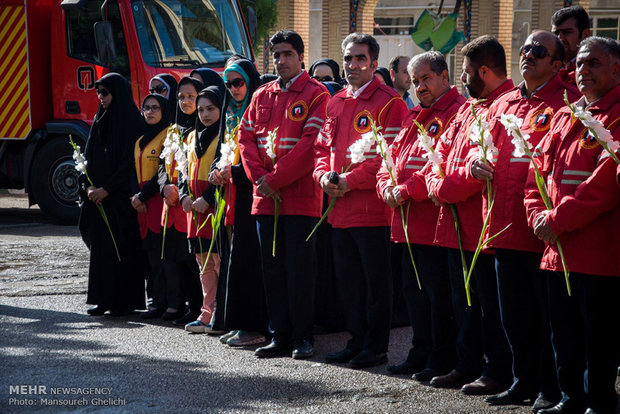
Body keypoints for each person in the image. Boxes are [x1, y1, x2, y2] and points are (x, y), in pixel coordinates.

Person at [469, 31, 577, 411]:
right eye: (525, 49)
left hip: (541, 232)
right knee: (513, 317)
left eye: (539, 51)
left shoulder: (567, 102)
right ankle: (521, 382)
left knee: (546, 320)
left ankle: (551, 389)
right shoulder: (505, 103)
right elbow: (480, 146)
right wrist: (474, 163)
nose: (527, 55)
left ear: (558, 64)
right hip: (501, 225)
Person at [524, 37, 620, 414]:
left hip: (598, 250)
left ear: (616, 69)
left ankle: (599, 402)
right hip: (557, 249)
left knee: (599, 337)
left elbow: (604, 185)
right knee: (563, 333)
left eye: (593, 63)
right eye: (579, 64)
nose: (583, 71)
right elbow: (538, 174)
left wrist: (556, 219)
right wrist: (536, 214)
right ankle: (570, 398)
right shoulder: (568, 113)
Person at [425, 35, 513, 395]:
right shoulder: (469, 107)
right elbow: (440, 153)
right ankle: (466, 365)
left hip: (482, 227)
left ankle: (495, 370)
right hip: (455, 224)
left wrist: (443, 188)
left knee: (489, 309)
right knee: (464, 305)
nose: (461, 80)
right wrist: (436, 182)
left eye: (464, 73)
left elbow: (485, 169)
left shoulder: (505, 105)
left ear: (484, 71)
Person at [314, 32, 407, 369]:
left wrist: (349, 181)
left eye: (360, 59)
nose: (353, 65)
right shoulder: (335, 101)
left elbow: (390, 159)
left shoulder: (390, 102)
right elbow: (322, 149)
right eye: (348, 58)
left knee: (375, 284)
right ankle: (356, 340)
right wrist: (323, 176)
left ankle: (376, 346)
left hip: (372, 212)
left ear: (374, 63)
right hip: (339, 210)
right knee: (349, 282)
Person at [237, 30, 330, 360]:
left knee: (300, 271)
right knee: (272, 270)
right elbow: (244, 138)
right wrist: (259, 178)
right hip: (265, 199)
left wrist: (274, 179)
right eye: (276, 54)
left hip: (301, 200)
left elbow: (310, 146)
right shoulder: (262, 94)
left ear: (301, 56)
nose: (281, 60)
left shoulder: (317, 94)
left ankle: (303, 337)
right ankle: (279, 335)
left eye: (288, 53)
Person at [377, 51, 464, 378]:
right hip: (404, 223)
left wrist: (407, 189)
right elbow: (391, 159)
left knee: (437, 297)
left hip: (432, 224)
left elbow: (438, 163)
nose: (420, 87)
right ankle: (421, 350)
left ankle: (441, 356)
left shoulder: (455, 111)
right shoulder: (415, 114)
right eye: (415, 81)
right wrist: (385, 185)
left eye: (426, 79)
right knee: (414, 295)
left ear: (444, 76)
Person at [209, 57, 269, 347]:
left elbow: (259, 157)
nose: (232, 89)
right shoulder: (229, 112)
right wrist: (215, 173)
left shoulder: (255, 111)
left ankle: (254, 326)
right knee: (234, 258)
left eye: (238, 82)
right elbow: (221, 150)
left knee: (248, 259)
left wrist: (232, 172)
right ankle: (236, 322)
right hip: (231, 193)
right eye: (227, 83)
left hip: (251, 193)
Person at [79, 72, 145, 316]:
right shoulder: (100, 119)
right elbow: (87, 157)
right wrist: (87, 186)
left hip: (119, 199)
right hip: (98, 199)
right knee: (102, 252)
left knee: (124, 249)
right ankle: (103, 299)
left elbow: (129, 163)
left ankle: (125, 301)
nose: (101, 97)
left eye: (105, 92)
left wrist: (108, 189)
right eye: (98, 92)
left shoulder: (131, 122)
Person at [157, 76, 204, 325]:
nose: (185, 101)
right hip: (171, 203)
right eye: (181, 97)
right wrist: (164, 186)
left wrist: (183, 191)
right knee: (172, 257)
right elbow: (161, 165)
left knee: (191, 260)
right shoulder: (173, 129)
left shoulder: (204, 125)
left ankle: (197, 306)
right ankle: (177, 303)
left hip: (190, 202)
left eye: (191, 96)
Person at [179, 86, 225, 334]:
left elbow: (224, 174)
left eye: (211, 109)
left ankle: (220, 312)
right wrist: (184, 195)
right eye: (201, 110)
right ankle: (206, 313)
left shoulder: (225, 136)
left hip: (214, 207)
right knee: (202, 262)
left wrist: (207, 198)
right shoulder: (189, 137)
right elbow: (182, 172)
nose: (205, 114)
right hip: (195, 211)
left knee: (217, 261)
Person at [132, 94, 170, 320]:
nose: (150, 112)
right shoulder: (139, 139)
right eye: (146, 108)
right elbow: (131, 169)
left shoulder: (168, 135)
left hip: (156, 199)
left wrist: (143, 196)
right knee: (148, 253)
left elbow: (161, 173)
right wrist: (135, 197)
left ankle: (162, 300)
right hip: (141, 201)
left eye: (155, 108)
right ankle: (153, 297)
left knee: (159, 253)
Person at [551, 5, 590, 87]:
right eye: (556, 34)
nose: (560, 39)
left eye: (567, 32)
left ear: (585, 35)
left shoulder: (595, 71)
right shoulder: (549, 70)